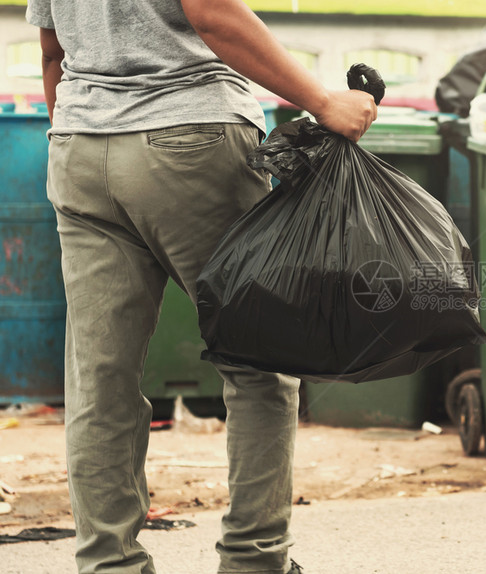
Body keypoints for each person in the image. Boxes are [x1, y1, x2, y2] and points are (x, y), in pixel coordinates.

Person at [26, 1, 377, 572]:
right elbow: (213, 14)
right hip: (190, 139)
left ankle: (108, 563)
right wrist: (324, 101)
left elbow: (51, 51)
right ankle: (253, 561)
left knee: (100, 381)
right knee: (259, 362)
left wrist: (80, 134)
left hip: (79, 149)